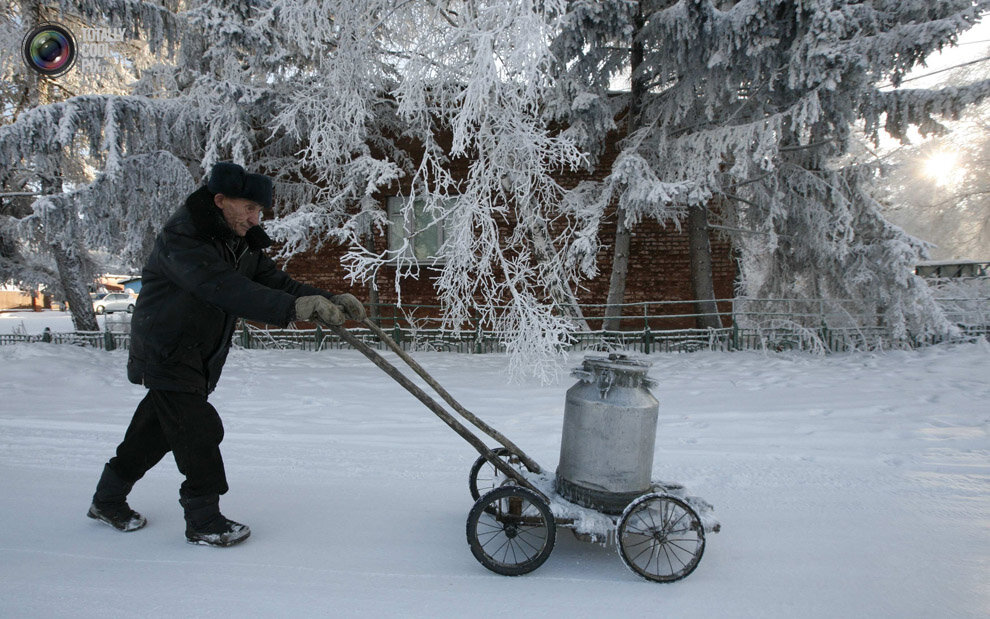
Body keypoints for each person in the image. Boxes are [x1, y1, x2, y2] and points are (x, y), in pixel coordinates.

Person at [86, 161, 366, 547]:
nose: (255, 218)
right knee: (199, 430)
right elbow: (223, 287)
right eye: (248, 208)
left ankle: (106, 500)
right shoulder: (182, 238)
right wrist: (292, 310)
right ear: (220, 201)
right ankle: (203, 520)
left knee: (152, 434)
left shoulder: (237, 239)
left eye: (259, 210)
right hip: (167, 351)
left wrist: (326, 299)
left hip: (199, 353)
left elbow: (275, 282)